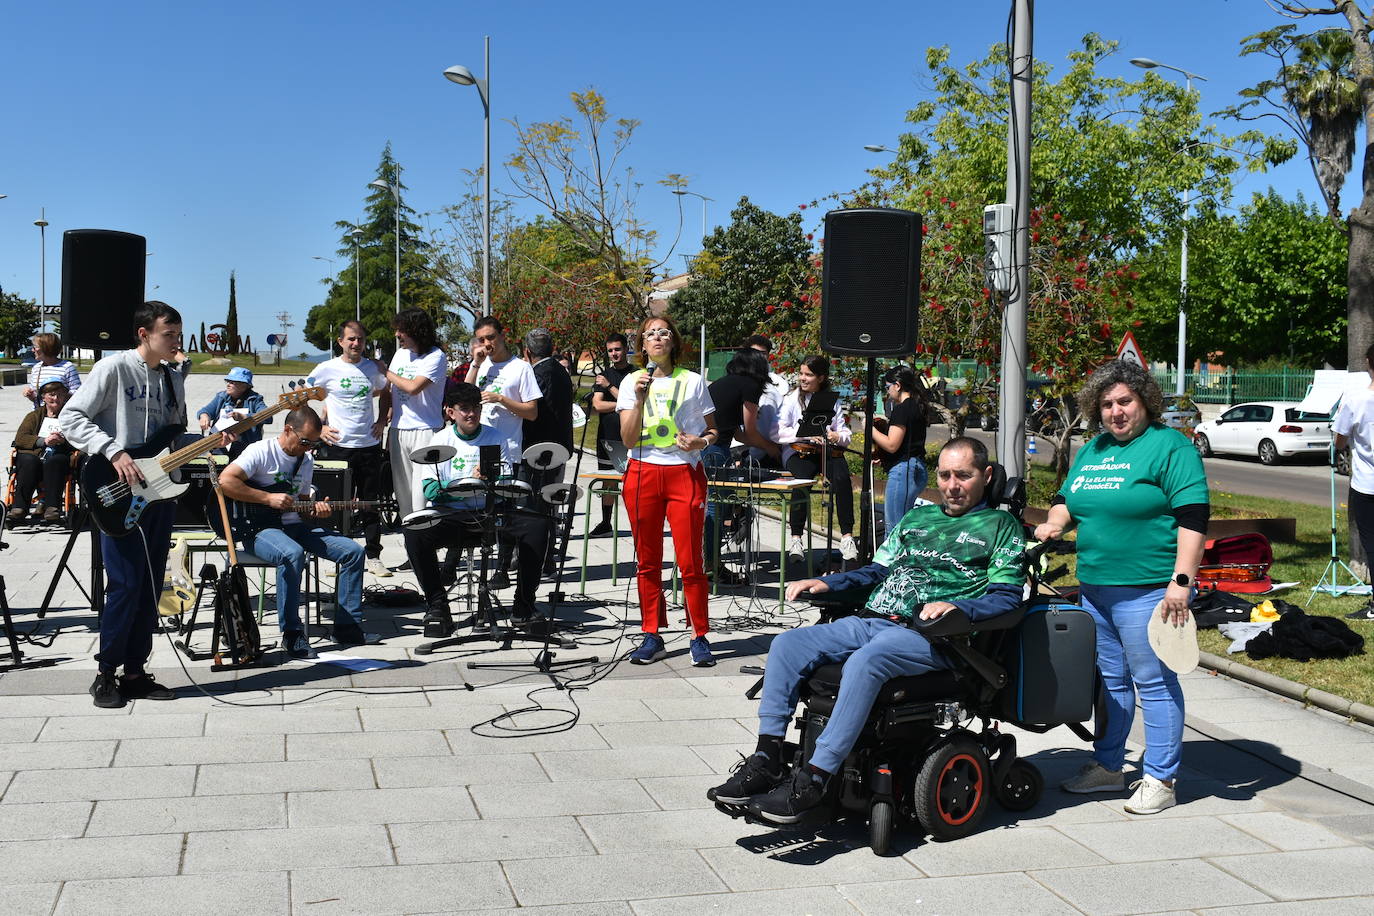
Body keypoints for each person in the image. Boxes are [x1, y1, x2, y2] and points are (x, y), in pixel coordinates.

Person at [708, 437, 1025, 824]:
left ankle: (815, 777)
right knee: (790, 645)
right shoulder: (916, 519)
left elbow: (1007, 598)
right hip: (874, 619)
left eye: (964, 475)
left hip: (935, 637)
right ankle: (767, 758)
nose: (951, 485)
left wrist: (958, 607)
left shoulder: (1000, 526)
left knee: (867, 662)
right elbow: (878, 572)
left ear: (986, 475)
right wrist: (829, 584)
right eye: (944, 475)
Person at [1034, 359, 1208, 816]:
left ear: (1145, 401)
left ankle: (1161, 777)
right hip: (1095, 589)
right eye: (1107, 403)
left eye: (1125, 401)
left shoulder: (1171, 447)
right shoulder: (1094, 449)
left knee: (1153, 683)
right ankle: (1109, 767)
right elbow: (1065, 501)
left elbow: (1194, 520)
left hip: (1150, 591)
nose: (1116, 411)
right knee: (1110, 683)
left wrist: (1181, 584)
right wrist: (1054, 523)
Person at [60, 301, 225, 708]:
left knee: (151, 586)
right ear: (143, 334)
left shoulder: (172, 379)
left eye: (178, 334)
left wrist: (212, 442)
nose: (176, 342)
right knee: (126, 584)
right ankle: (106, 674)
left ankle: (135, 671)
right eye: (169, 334)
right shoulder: (113, 369)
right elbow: (71, 417)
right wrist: (114, 451)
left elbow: (173, 436)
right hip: (116, 489)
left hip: (158, 493)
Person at [218, 406, 368, 658]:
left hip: (295, 525)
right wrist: (267, 497)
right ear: (288, 429)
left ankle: (346, 626)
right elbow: (225, 481)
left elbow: (301, 505)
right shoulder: (260, 451)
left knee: (353, 551)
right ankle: (292, 634)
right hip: (258, 529)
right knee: (292, 554)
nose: (308, 448)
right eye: (305, 441)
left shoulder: (306, 460)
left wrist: (316, 510)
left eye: (313, 443)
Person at [404, 383, 551, 636]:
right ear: (450, 412)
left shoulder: (495, 436)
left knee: (539, 525)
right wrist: (461, 487)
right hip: (454, 514)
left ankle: (523, 605)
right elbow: (430, 490)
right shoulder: (439, 440)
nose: (471, 414)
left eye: (475, 408)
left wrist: (490, 481)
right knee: (415, 532)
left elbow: (507, 482)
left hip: (491, 511)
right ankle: (437, 605)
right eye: (464, 409)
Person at [616, 314, 718, 666]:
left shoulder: (693, 381)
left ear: (673, 341)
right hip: (642, 472)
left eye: (663, 333)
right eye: (650, 334)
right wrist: (640, 399)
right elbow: (628, 438)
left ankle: (699, 634)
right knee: (647, 559)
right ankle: (651, 632)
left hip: (683, 474)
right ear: (642, 345)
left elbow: (713, 431)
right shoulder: (632, 382)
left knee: (690, 559)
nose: (657, 338)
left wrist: (699, 442)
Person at [311, 321, 392, 578]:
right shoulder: (326, 369)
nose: (356, 344)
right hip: (337, 447)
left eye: (360, 339)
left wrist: (381, 420)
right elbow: (300, 397)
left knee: (370, 503)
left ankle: (374, 556)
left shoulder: (372, 368)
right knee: (333, 504)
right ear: (340, 342)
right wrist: (319, 430)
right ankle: (334, 555)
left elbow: (386, 390)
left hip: (368, 445)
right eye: (351, 339)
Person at [703, 347, 780, 585]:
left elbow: (737, 432)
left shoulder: (723, 383)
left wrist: (762, 444)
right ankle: (710, 567)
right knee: (717, 508)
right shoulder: (750, 386)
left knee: (713, 508)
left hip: (705, 447)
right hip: (715, 450)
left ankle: (709, 564)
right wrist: (772, 449)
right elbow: (751, 431)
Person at [779, 355, 855, 562]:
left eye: (808, 375)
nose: (802, 378)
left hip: (825, 450)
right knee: (801, 480)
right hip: (798, 451)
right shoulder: (791, 399)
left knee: (841, 477)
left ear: (821, 378)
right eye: (801, 373)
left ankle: (847, 536)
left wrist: (837, 436)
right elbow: (777, 431)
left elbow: (844, 433)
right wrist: (804, 433)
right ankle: (796, 538)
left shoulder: (832, 401)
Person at [376, 308, 448, 527]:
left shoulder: (436, 356)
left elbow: (413, 387)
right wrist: (382, 420)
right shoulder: (400, 354)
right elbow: (388, 390)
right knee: (404, 495)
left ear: (415, 331)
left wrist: (385, 371)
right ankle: (412, 552)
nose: (397, 335)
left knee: (421, 496)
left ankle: (427, 551)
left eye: (401, 330)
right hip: (399, 431)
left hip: (426, 432)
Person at [464, 315, 541, 465]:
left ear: (502, 336)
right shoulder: (480, 364)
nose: (487, 344)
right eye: (481, 340)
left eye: (491, 337)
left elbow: (532, 413)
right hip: (477, 448)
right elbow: (464, 396)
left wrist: (500, 399)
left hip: (507, 450)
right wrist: (476, 364)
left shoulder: (521, 367)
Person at [1334, 341, 1374, 622]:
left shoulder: (1356, 399)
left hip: (1367, 484)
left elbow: (1339, 440)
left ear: (1369, 364)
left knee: (1371, 543)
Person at [871, 365, 930, 533]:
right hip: (917, 467)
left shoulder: (902, 409)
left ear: (897, 385)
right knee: (905, 523)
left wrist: (871, 429)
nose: (887, 391)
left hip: (903, 471)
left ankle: (890, 559)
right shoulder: (918, 406)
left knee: (894, 528)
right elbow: (906, 443)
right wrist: (884, 458)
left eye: (887, 387)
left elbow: (892, 444)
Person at [9, 379, 76, 523]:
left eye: (60, 394)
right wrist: (43, 441)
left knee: (56, 461)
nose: (56, 398)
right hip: (34, 455)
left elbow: (81, 440)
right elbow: (20, 438)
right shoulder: (34, 416)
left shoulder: (72, 417)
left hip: (59, 455)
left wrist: (64, 441)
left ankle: (52, 508)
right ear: (43, 397)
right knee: (28, 461)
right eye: (51, 395)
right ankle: (19, 507)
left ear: (65, 396)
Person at [589, 332, 633, 537]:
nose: (614, 354)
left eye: (618, 349)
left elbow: (639, 403)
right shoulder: (604, 375)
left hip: (632, 437)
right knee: (608, 481)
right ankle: (606, 522)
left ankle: (640, 520)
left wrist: (610, 388)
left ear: (626, 349)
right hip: (607, 436)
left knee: (634, 481)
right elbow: (597, 404)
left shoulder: (637, 374)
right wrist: (624, 405)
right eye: (610, 351)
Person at [196, 367, 268, 458]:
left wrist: (244, 416)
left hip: (245, 449)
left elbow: (267, 417)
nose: (228, 385)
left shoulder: (255, 400)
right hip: (219, 447)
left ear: (244, 386)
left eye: (232, 382)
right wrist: (204, 416)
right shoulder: (221, 397)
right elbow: (205, 410)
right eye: (228, 381)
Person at [745, 334, 788, 468]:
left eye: (762, 354)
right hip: (737, 447)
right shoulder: (737, 380)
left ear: (768, 356)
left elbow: (766, 428)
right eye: (754, 353)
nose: (758, 357)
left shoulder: (775, 387)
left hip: (764, 452)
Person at [21, 332, 81, 408]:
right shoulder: (36, 368)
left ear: (46, 348)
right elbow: (37, 398)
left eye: (35, 347)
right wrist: (30, 395)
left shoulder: (67, 367)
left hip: (61, 414)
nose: (33, 350)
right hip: (41, 415)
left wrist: (57, 395)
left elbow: (78, 393)